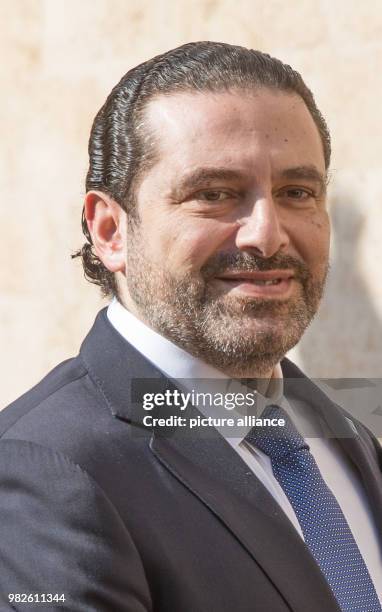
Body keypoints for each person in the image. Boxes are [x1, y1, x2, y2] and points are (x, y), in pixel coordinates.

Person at [0, 41, 381, 612]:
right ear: (110, 230)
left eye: (297, 192)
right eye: (215, 194)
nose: (266, 234)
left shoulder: (345, 431)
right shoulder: (44, 471)